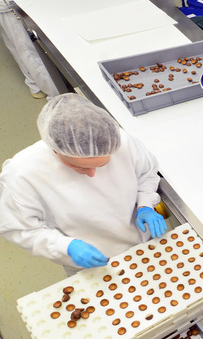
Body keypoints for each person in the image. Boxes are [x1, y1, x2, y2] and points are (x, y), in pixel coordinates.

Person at [0, 93, 166, 275]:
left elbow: (147, 173)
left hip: (144, 243)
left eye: (102, 165)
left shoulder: (120, 141)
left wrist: (145, 205)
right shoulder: (23, 173)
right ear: (54, 150)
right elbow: (19, 228)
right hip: (88, 262)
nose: (92, 174)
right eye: (78, 167)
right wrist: (66, 246)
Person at [1, 0, 59, 100]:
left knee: (17, 47)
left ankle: (35, 85)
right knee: (29, 51)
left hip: (7, 0)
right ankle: (55, 95)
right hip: (9, 0)